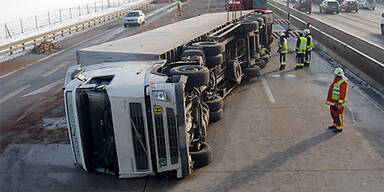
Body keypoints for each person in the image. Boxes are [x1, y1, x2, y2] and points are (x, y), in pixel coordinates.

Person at [326, 67, 349, 133]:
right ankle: (335, 124)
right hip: (333, 101)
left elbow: (342, 94)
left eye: (335, 74)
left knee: (338, 115)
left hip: (337, 103)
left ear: (338, 74)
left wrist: (339, 104)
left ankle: (339, 127)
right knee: (333, 113)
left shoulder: (343, 83)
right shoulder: (337, 80)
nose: (334, 75)